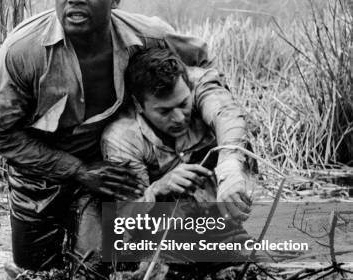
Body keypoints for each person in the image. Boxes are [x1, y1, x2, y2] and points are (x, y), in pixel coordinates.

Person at [0, 0, 211, 271]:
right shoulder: (23, 51)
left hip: (112, 166)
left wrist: (211, 135)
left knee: (105, 270)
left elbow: (204, 66)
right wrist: (77, 171)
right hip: (39, 174)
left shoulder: (148, 35)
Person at [101, 47, 253, 245]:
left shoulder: (199, 83)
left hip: (213, 208)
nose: (180, 118)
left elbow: (227, 115)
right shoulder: (121, 137)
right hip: (163, 229)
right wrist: (158, 188)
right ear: (139, 105)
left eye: (183, 104)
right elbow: (125, 219)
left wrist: (230, 167)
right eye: (164, 112)